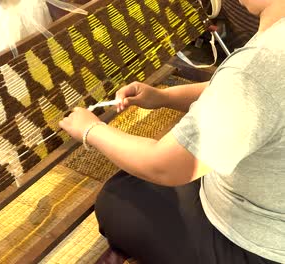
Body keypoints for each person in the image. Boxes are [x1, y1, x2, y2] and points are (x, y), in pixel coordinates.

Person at [58, 0, 285, 262]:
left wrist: (91, 129)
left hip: (259, 246)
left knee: (116, 200)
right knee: (132, 179)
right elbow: (240, 94)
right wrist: (164, 97)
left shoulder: (262, 62)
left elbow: (165, 167)